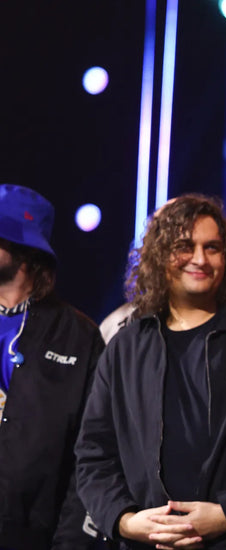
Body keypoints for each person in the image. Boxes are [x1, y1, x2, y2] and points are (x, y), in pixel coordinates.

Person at [75, 194, 226, 549]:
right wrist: (126, 521)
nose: (200, 259)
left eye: (212, 247)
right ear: (159, 256)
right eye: (185, 246)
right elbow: (94, 454)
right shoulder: (126, 345)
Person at [0, 185, 104, 549]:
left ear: (24, 251)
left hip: (32, 537)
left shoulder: (79, 336)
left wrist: (72, 542)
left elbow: (92, 451)